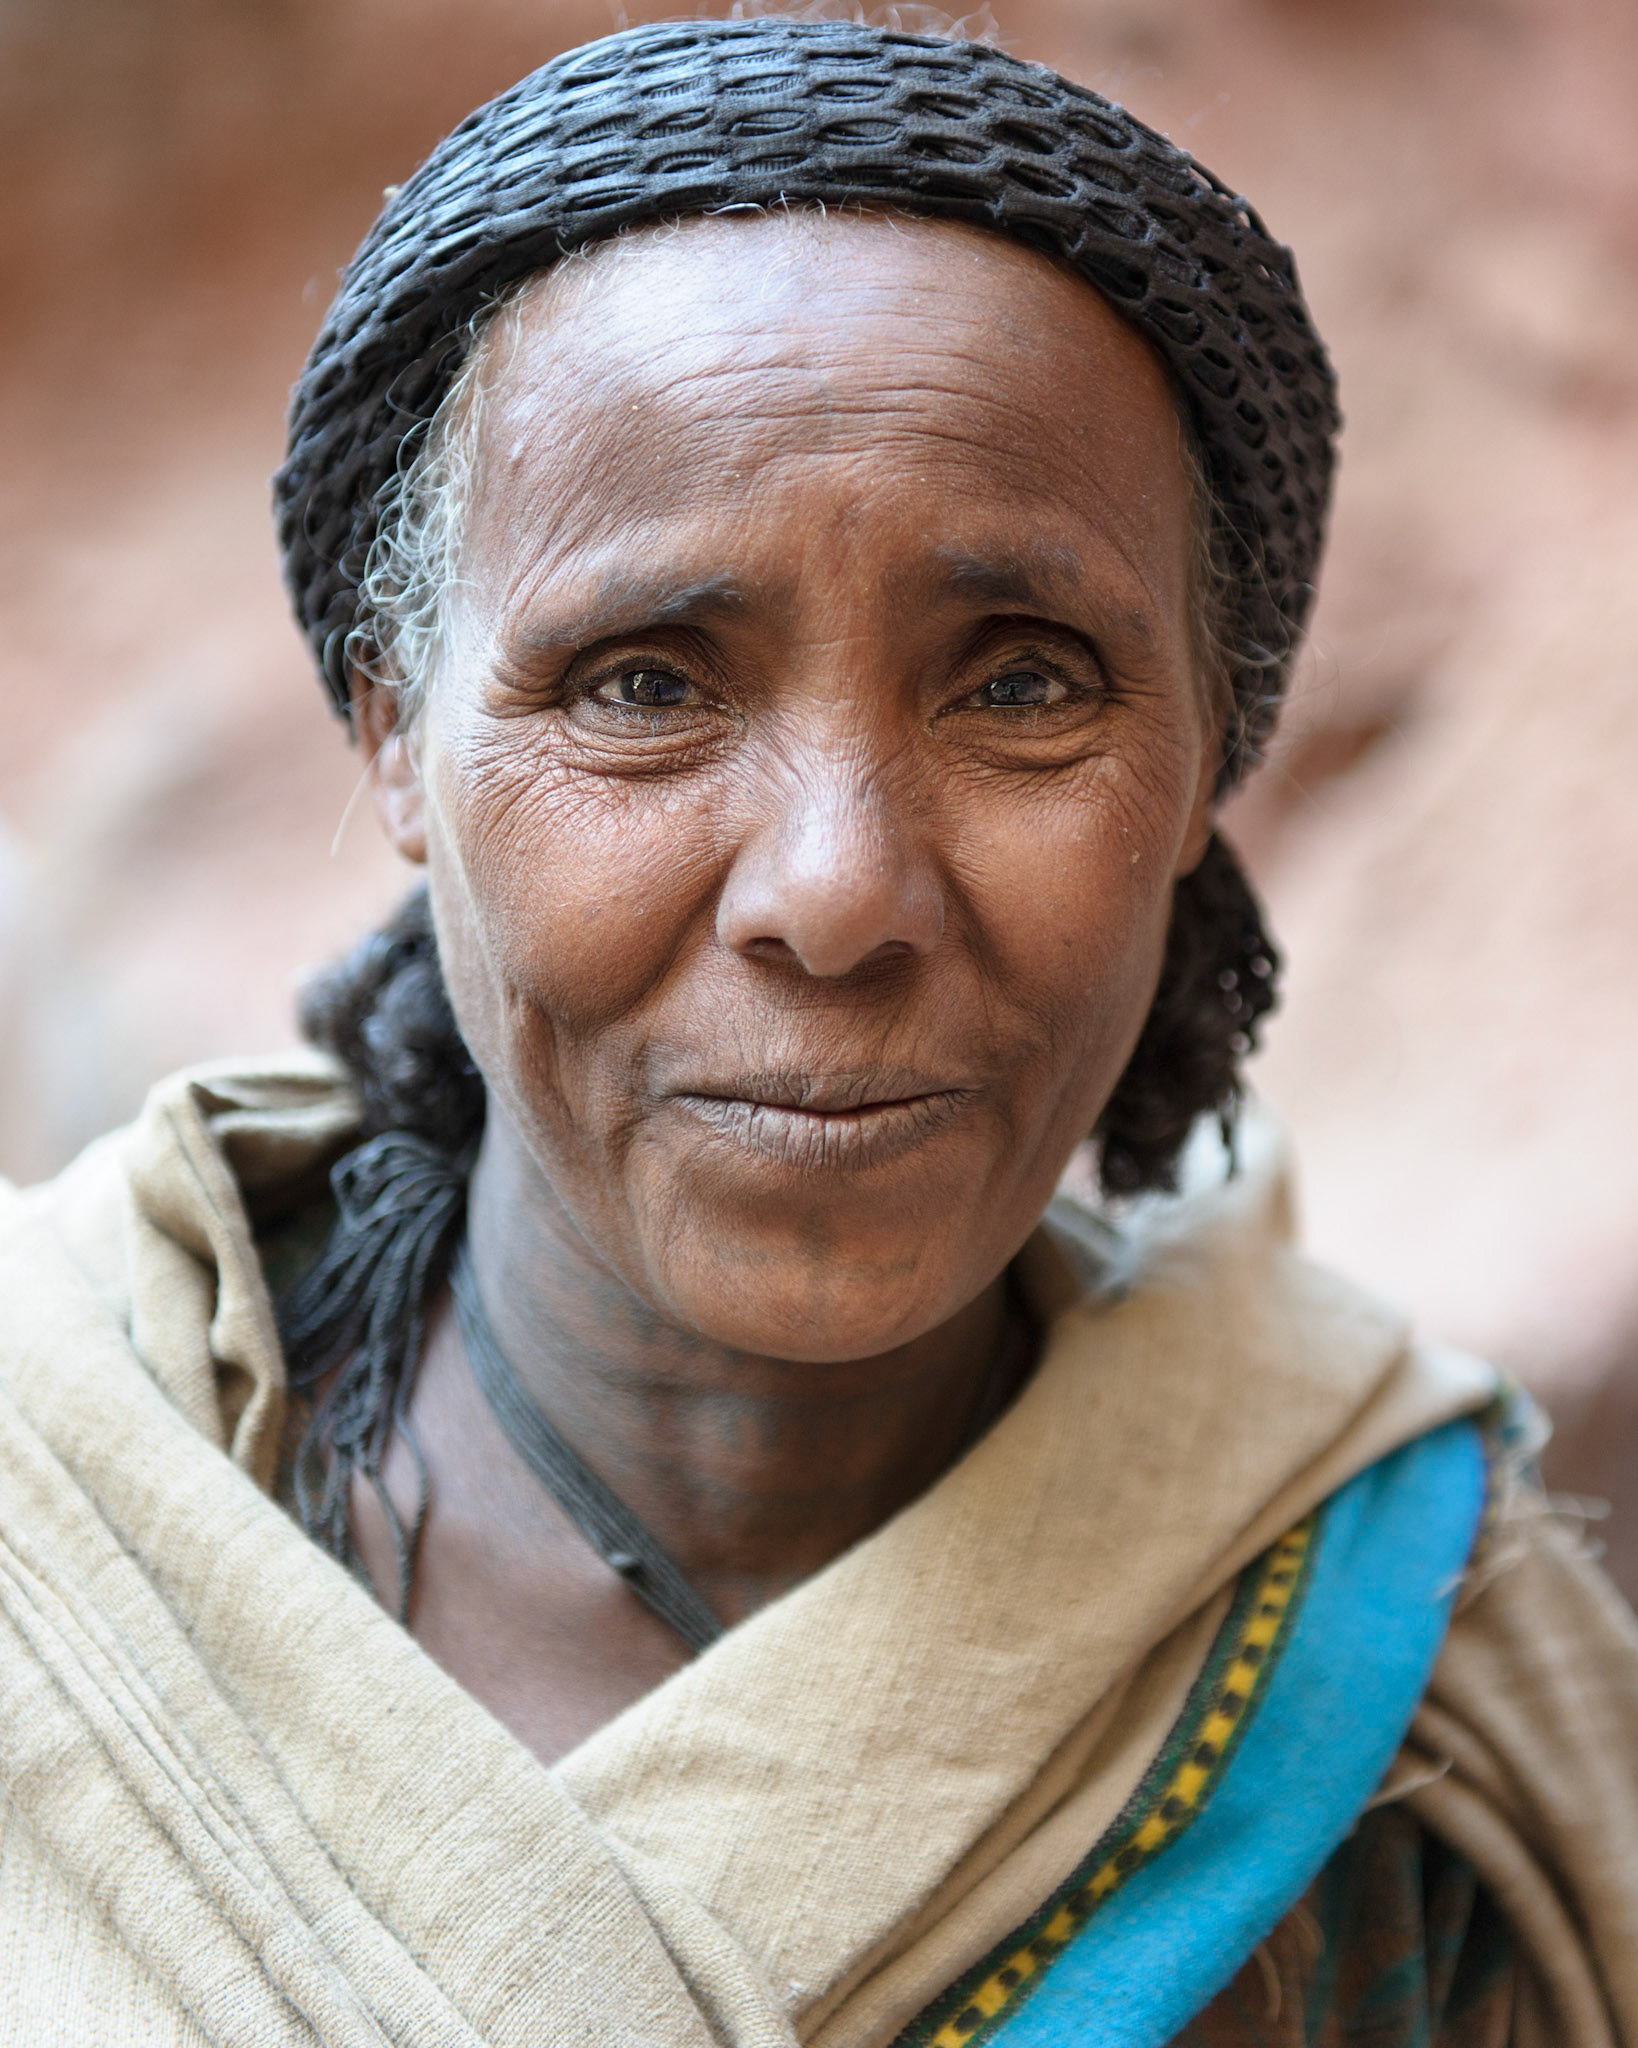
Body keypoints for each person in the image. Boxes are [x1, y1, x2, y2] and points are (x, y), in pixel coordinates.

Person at [1, 17, 1634, 2046]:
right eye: (644, 680)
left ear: (1209, 756)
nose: (838, 888)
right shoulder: (43, 1502)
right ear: (395, 737)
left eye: (1024, 683)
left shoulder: (1405, 1677)